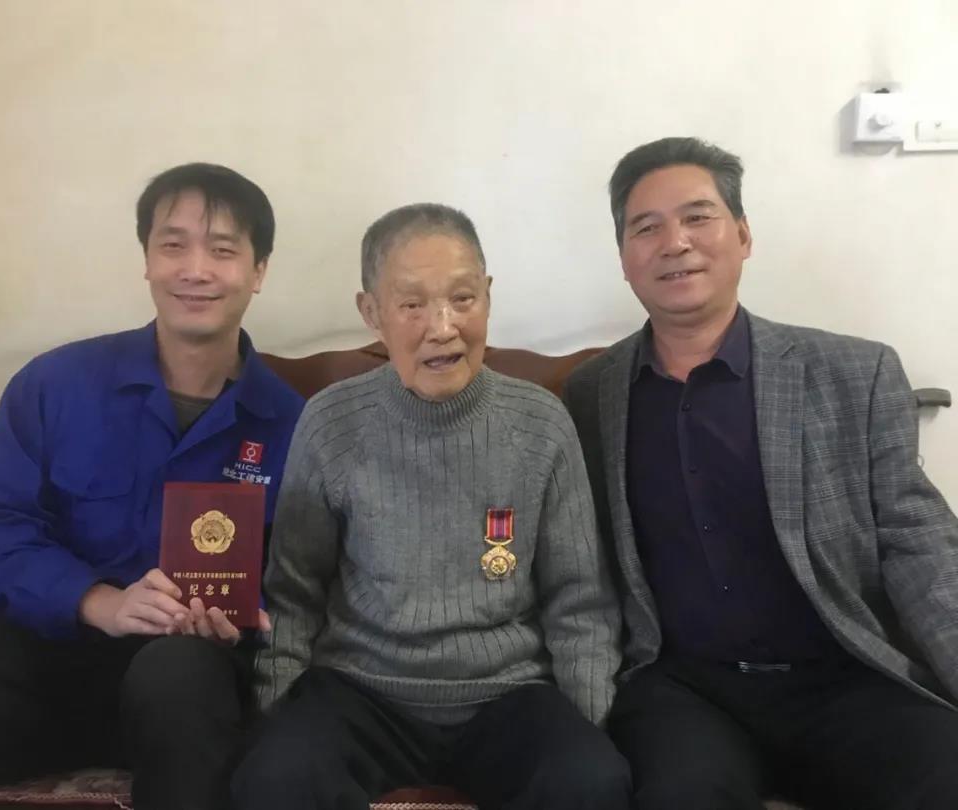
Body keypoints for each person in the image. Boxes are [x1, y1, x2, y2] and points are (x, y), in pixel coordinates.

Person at [0, 163, 304, 810]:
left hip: (187, 683)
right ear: (146, 260)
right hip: (39, 661)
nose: (195, 269)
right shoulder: (54, 385)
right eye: (173, 245)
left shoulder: (291, 423)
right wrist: (98, 601)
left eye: (223, 250)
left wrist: (246, 618)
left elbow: (299, 576)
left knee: (178, 675)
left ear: (259, 270)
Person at [563, 136, 958, 810]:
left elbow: (918, 543)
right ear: (625, 258)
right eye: (646, 228)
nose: (675, 243)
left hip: (842, 675)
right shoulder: (591, 394)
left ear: (743, 235)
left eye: (697, 217)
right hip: (685, 691)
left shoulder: (854, 374)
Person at [230, 203, 630, 810]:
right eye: (412, 305)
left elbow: (580, 601)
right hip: (360, 690)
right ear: (372, 313)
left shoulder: (541, 423)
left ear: (488, 296)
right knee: (274, 781)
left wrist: (585, 728)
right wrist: (277, 714)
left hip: (507, 694)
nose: (442, 328)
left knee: (590, 781)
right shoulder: (332, 422)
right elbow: (293, 591)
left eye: (462, 299)